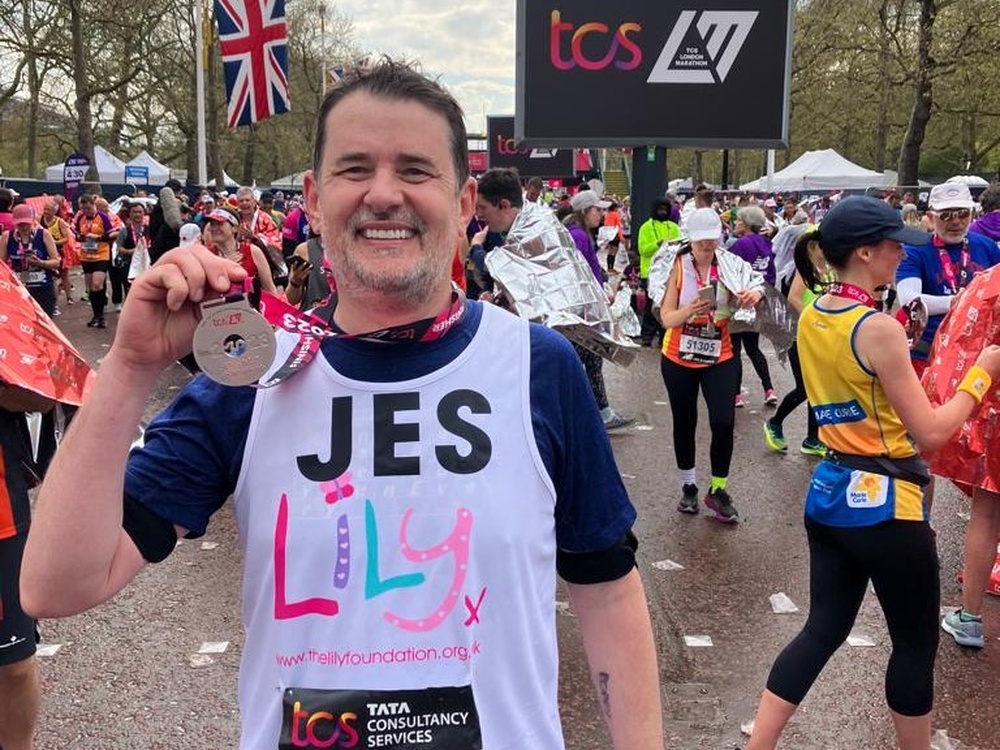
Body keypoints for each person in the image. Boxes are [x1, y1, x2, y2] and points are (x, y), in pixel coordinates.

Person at [21, 59, 663, 750]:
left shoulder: (536, 366)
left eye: (415, 170)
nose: (384, 194)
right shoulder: (254, 378)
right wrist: (127, 367)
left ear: (465, 202)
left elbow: (605, 589)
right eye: (355, 169)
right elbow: (56, 586)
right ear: (315, 196)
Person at [745, 196, 1000, 750]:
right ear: (864, 252)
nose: (898, 256)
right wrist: (980, 377)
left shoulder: (815, 311)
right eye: (891, 246)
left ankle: (756, 745)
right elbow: (932, 432)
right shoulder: (878, 327)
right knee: (914, 645)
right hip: (888, 504)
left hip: (830, 492)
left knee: (821, 629)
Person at [657, 207, 763, 523]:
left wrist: (752, 294)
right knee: (685, 421)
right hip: (679, 355)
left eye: (712, 239)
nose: (707, 245)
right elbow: (666, 319)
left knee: (723, 422)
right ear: (690, 239)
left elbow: (756, 284)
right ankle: (688, 487)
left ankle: (718, 489)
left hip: (720, 354)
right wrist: (689, 310)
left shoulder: (729, 264)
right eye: (701, 240)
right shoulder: (678, 266)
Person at [564, 190, 635, 430]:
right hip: (584, 310)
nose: (602, 214)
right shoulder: (579, 236)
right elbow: (582, 273)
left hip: (585, 308)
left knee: (591, 358)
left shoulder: (579, 234)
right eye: (598, 209)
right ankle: (597, 412)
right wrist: (601, 291)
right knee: (588, 358)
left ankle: (598, 411)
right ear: (585, 211)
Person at [763, 229, 830, 456]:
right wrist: (814, 318)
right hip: (799, 336)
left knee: (817, 388)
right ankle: (775, 422)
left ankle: (813, 439)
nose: (827, 250)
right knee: (805, 388)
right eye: (823, 246)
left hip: (820, 337)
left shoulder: (827, 270)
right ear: (812, 248)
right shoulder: (804, 270)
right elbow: (793, 298)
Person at [727, 205, 778, 408]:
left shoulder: (740, 245)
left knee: (734, 350)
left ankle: (736, 394)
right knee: (753, 348)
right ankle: (769, 389)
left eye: (738, 221)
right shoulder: (766, 244)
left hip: (740, 301)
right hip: (758, 302)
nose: (735, 224)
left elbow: (728, 271)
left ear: (747, 224)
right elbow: (771, 276)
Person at [636, 198, 681, 347]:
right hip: (649, 274)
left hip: (669, 274)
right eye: (660, 209)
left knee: (667, 305)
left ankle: (664, 335)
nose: (662, 212)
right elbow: (642, 250)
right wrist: (657, 244)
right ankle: (647, 336)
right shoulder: (646, 227)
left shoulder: (674, 227)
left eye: (665, 209)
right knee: (650, 307)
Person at [0, 204, 61, 317]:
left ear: (32, 220)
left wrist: (41, 263)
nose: (24, 227)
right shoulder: (7, 237)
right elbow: (1, 264)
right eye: (20, 224)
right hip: (18, 288)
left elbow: (56, 262)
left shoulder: (43, 234)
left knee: (43, 325)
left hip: (42, 287)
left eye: (26, 223)